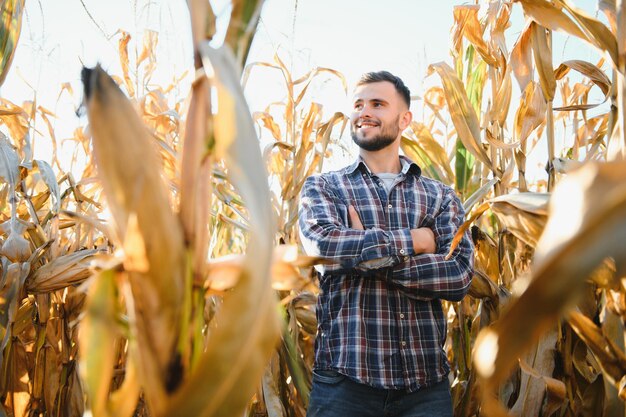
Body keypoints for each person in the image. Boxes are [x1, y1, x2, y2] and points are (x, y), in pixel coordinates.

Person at [298, 71, 474, 417]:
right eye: (358, 104)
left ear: (404, 119)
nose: (365, 112)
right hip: (345, 385)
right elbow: (322, 250)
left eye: (378, 104)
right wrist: (416, 240)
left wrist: (364, 255)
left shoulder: (439, 196)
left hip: (425, 389)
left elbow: (458, 273)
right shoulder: (325, 188)